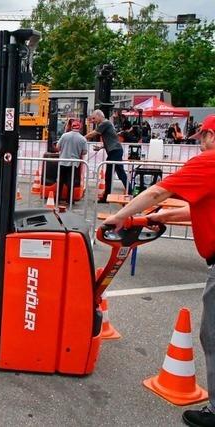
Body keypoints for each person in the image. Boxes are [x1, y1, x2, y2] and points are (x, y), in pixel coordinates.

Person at [103, 114, 215, 427]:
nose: (200, 145)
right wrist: (163, 217)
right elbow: (197, 208)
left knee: (213, 335)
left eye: (202, 139)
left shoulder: (209, 162)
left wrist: (121, 217)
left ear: (208, 135)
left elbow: (155, 193)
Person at [85, 109, 128, 203]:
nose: (93, 120)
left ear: (99, 116)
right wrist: (101, 147)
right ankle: (107, 196)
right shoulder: (107, 124)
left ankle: (130, 192)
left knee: (119, 173)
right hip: (115, 151)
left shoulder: (104, 123)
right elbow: (112, 139)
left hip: (115, 152)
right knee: (111, 175)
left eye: (94, 118)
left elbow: (94, 133)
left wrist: (82, 138)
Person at [55, 119, 87, 204]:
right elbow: (84, 152)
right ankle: (69, 200)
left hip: (62, 161)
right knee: (71, 181)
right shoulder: (83, 139)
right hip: (74, 163)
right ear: (79, 128)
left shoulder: (64, 136)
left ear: (72, 127)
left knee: (60, 180)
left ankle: (57, 199)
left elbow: (58, 147)